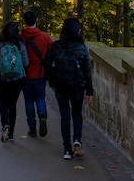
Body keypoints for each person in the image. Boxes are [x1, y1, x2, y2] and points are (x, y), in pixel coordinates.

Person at [48, 17, 93, 160]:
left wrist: (52, 82)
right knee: (77, 113)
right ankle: (77, 140)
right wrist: (89, 90)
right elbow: (87, 70)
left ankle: (67, 149)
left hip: (61, 85)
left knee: (65, 115)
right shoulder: (81, 47)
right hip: (77, 85)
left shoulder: (56, 46)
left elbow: (48, 65)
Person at [20, 10, 53, 138]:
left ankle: (32, 128)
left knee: (28, 101)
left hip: (25, 74)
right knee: (40, 98)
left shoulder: (21, 37)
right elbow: (52, 51)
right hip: (40, 73)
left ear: (24, 21)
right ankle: (42, 116)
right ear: (36, 20)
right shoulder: (45, 37)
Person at [0, 21, 29, 143]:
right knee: (12, 104)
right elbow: (26, 63)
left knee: (3, 103)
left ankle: (5, 125)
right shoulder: (20, 45)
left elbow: (0, 59)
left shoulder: (0, 45)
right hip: (18, 78)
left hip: (4, 78)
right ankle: (11, 135)